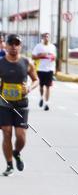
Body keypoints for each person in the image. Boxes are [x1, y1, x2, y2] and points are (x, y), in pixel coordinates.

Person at [0, 34, 38, 176]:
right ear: (6, 46)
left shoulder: (27, 63)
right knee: (7, 132)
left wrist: (29, 88)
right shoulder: (1, 62)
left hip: (21, 105)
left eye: (17, 44)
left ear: (20, 46)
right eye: (11, 44)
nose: (14, 47)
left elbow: (36, 80)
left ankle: (16, 153)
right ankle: (9, 165)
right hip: (4, 105)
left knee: (21, 137)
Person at [31, 32, 57, 111]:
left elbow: (54, 57)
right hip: (40, 69)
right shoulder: (38, 46)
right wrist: (41, 55)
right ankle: (41, 97)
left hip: (50, 69)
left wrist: (52, 58)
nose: (46, 38)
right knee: (41, 86)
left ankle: (46, 103)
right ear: (42, 38)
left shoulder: (52, 47)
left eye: (48, 37)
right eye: (45, 37)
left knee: (48, 86)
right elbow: (33, 56)